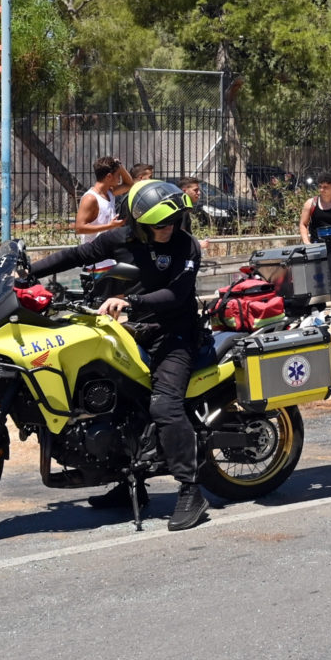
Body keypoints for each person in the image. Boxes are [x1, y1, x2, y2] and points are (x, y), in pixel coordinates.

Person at [29, 179, 214, 529]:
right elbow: (77, 255)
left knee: (164, 404)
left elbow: (177, 295)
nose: (168, 229)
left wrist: (131, 302)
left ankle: (191, 491)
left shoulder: (186, 246)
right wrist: (27, 272)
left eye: (173, 221)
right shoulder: (123, 237)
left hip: (174, 335)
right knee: (110, 397)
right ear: (140, 223)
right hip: (132, 332)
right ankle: (125, 479)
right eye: (160, 224)